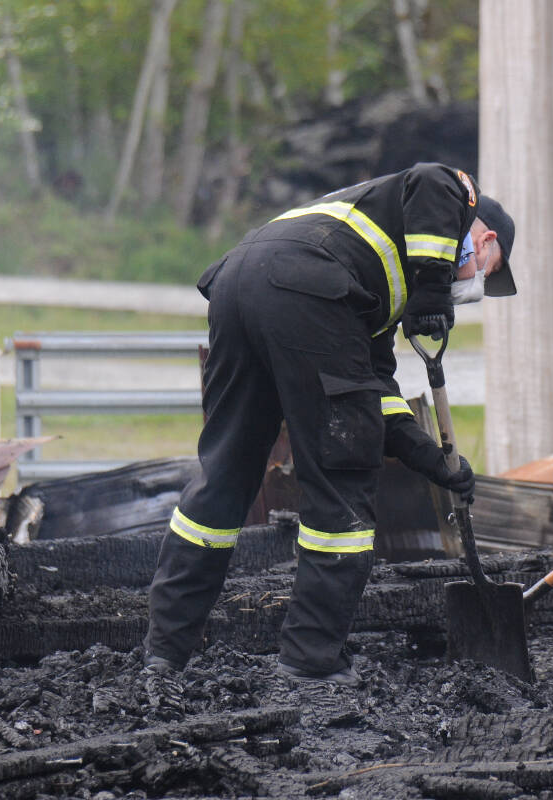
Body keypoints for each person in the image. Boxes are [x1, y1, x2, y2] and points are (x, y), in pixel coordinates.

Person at [142, 163, 516, 704]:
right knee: (342, 482)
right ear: (483, 239)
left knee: (225, 473)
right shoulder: (450, 199)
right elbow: (437, 178)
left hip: (239, 284)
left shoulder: (363, 259)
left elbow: (370, 388)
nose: (476, 285)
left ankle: (164, 651)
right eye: (488, 268)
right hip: (305, 291)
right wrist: (433, 296)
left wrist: (432, 459)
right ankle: (310, 662)